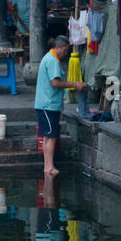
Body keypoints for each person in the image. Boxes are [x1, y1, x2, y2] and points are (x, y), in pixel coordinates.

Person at [35, 35, 85, 176]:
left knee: (47, 136)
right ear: (59, 47)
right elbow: (55, 83)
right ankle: (49, 166)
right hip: (48, 104)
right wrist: (74, 84)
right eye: (66, 50)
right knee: (51, 137)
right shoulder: (52, 61)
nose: (66, 53)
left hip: (46, 104)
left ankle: (47, 166)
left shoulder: (49, 58)